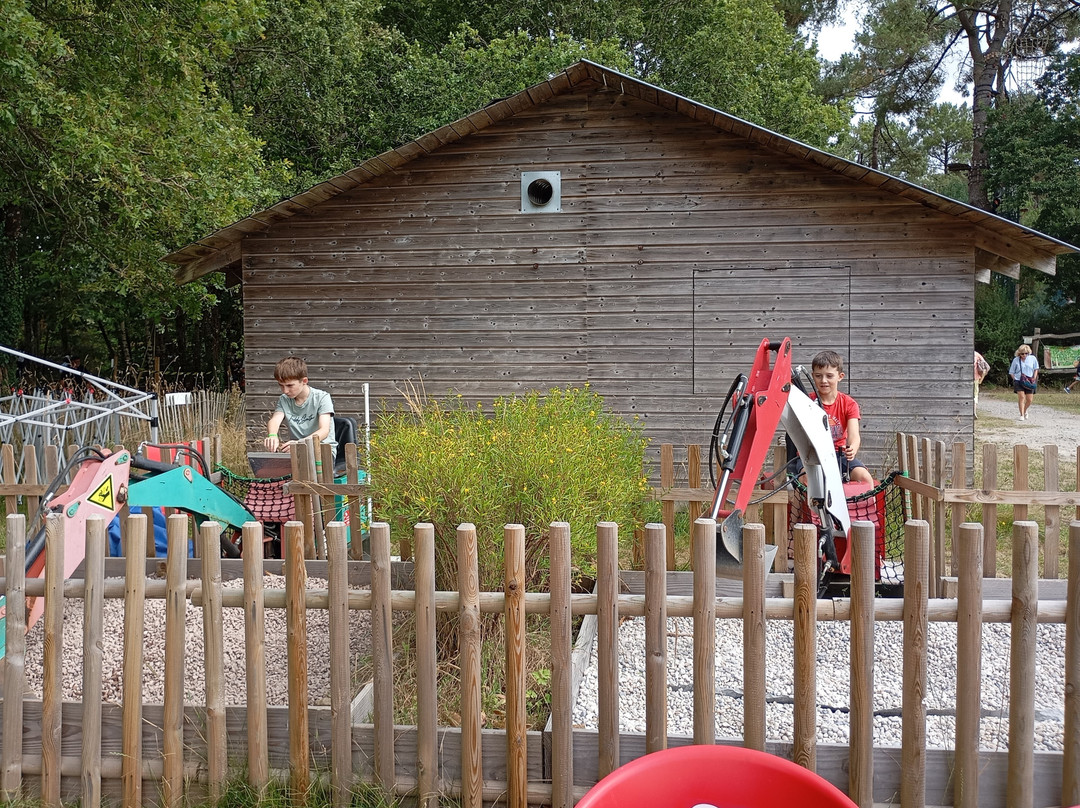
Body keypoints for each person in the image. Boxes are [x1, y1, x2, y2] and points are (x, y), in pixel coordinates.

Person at [809, 350, 874, 485]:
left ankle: (870, 506)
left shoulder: (849, 404)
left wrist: (852, 449)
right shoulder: (807, 401)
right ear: (812, 376)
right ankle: (800, 506)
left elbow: (854, 435)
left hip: (840, 455)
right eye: (818, 376)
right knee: (807, 481)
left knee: (866, 478)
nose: (824, 381)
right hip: (811, 456)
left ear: (840, 376)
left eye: (829, 376)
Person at [264, 356, 337, 454]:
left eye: (290, 386)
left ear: (304, 381)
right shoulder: (284, 399)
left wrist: (300, 444)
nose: (285, 391)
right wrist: (272, 436)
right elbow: (274, 420)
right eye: (281, 385)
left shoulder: (322, 398)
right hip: (297, 452)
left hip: (322, 451)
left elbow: (324, 431)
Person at [1008, 344, 1039, 421]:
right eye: (1022, 353)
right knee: (1021, 397)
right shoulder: (1016, 360)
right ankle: (1021, 414)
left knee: (1029, 399)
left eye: (1026, 353)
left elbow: (1036, 368)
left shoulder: (1032, 358)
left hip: (1029, 381)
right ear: (1019, 353)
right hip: (1019, 380)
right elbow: (1011, 371)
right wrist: (1015, 379)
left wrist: (1034, 378)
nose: (1024, 355)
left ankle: (1025, 410)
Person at [974, 350, 990, 416]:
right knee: (975, 394)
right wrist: (982, 376)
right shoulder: (976, 354)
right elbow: (986, 367)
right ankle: (974, 411)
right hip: (975, 377)